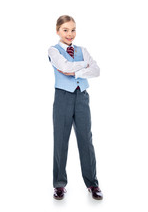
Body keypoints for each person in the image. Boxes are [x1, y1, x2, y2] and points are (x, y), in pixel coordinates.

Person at [48, 15, 103, 200]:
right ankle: (59, 184)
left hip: (82, 97)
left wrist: (76, 69)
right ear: (58, 31)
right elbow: (63, 66)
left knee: (86, 140)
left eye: (73, 29)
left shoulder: (82, 49)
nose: (70, 34)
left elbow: (96, 70)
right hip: (63, 97)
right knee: (61, 140)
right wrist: (84, 65)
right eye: (65, 30)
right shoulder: (53, 50)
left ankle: (92, 183)